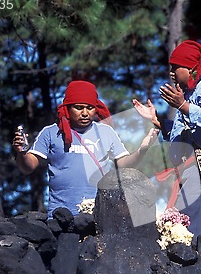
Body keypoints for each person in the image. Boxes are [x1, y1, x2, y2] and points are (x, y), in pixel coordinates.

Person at [13, 80, 158, 217]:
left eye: (90, 108)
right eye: (79, 107)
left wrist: (142, 150)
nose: (85, 113)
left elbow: (123, 165)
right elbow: (28, 167)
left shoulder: (106, 132)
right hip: (60, 215)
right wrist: (21, 152)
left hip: (100, 214)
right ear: (67, 108)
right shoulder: (51, 132)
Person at [132, 40, 201, 237]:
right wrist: (158, 120)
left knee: (191, 232)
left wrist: (183, 105)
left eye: (176, 67)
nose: (171, 73)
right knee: (180, 227)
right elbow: (187, 132)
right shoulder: (189, 92)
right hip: (191, 171)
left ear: (193, 68)